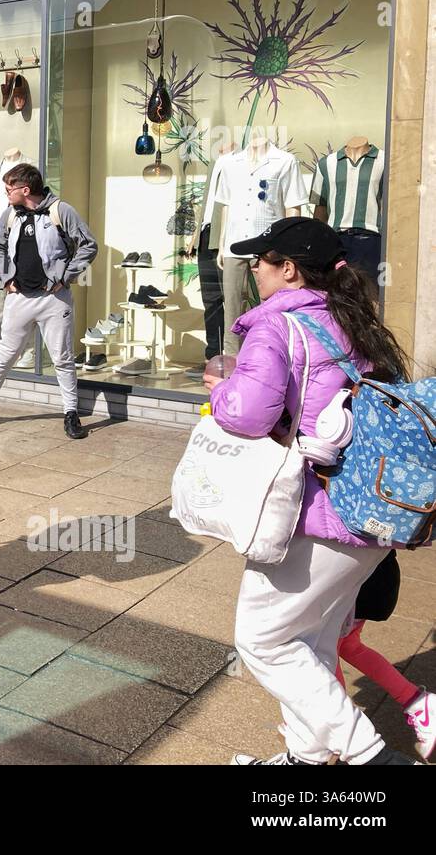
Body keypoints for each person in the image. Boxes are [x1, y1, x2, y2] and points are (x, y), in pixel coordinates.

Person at [210, 217, 420, 766]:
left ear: (289, 269)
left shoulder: (278, 327)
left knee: (264, 641)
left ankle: (369, 757)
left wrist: (222, 388)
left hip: (321, 511)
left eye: (261, 260)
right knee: (313, 641)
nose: (254, 269)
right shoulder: (353, 318)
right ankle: (304, 758)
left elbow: (250, 416)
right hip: (372, 511)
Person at [0, 163, 98, 439]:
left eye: (9, 189)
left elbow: (88, 244)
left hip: (54, 298)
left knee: (62, 358)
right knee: (5, 354)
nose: (6, 194)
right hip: (19, 297)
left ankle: (71, 414)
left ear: (25, 190)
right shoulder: (9, 215)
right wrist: (6, 278)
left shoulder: (60, 211)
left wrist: (66, 276)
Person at [333, 551, 435, 760]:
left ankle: (334, 729)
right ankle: (418, 702)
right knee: (349, 645)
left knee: (325, 653)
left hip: (350, 577)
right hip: (373, 572)